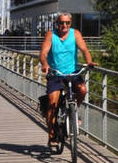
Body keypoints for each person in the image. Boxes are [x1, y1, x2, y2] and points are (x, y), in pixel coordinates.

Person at [39, 12, 94, 147]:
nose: (64, 25)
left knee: (82, 90)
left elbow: (84, 49)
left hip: (72, 72)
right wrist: (45, 64)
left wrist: (89, 62)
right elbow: (43, 53)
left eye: (67, 23)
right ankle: (52, 135)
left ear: (70, 23)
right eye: (61, 23)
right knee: (52, 103)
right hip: (55, 73)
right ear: (57, 23)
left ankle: (73, 111)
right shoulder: (51, 35)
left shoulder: (75, 34)